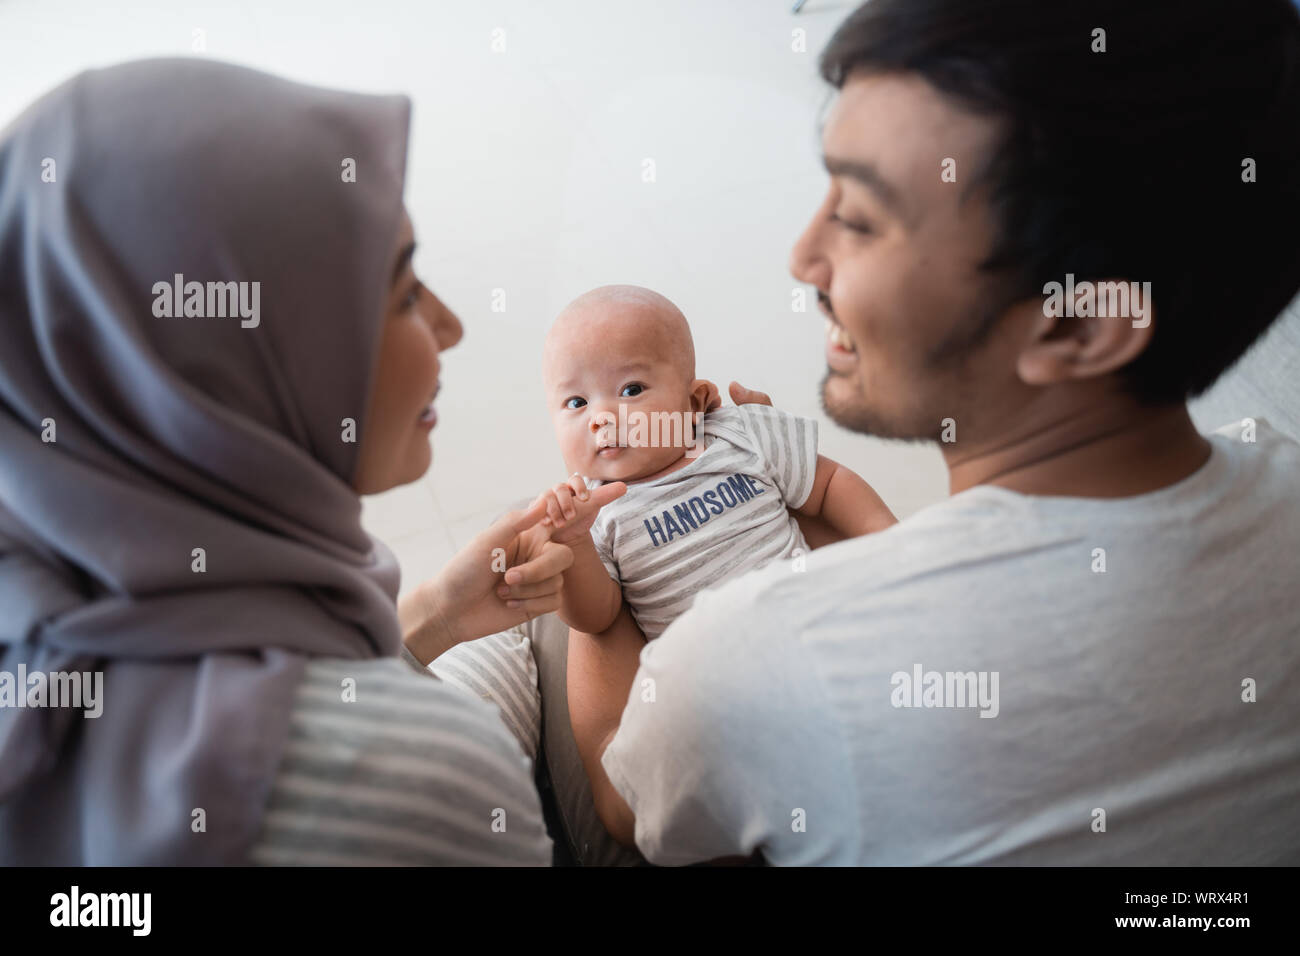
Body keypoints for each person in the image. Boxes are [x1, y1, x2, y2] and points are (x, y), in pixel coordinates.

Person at [571, 0, 1300, 864]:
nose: (803, 258)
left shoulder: (746, 661)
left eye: (864, 217)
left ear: (1081, 323)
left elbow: (626, 806)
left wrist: (591, 607)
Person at [0, 58, 568, 865]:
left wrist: (437, 613)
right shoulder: (418, 783)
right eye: (405, 294)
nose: (449, 326)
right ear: (220, 359)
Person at [532, 283, 895, 640]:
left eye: (631, 390)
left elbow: (829, 484)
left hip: (815, 624)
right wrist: (574, 546)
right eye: (577, 402)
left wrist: (895, 543)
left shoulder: (739, 433)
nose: (601, 417)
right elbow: (598, 620)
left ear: (694, 402)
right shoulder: (590, 513)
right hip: (710, 683)